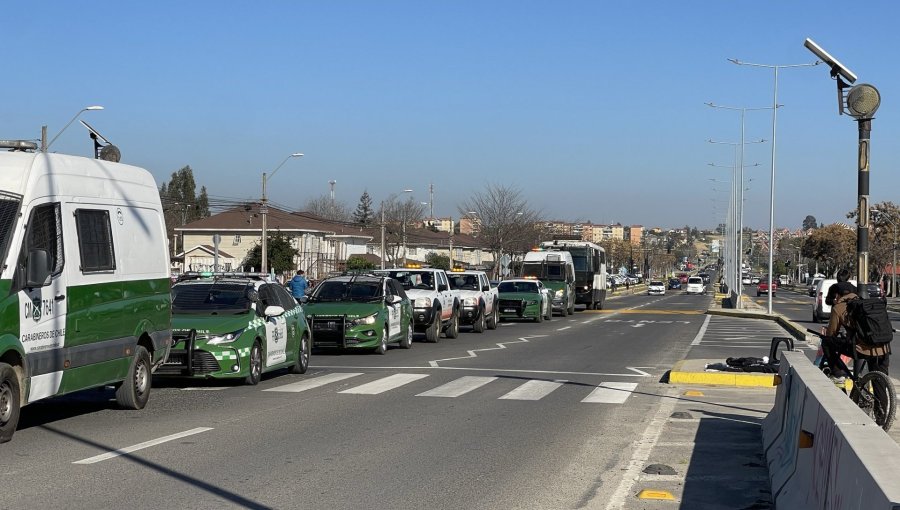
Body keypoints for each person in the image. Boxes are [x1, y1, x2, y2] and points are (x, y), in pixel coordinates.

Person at [821, 279, 891, 384]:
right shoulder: (866, 303)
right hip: (883, 348)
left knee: (827, 342)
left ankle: (838, 374)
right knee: (880, 385)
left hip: (861, 349)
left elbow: (831, 333)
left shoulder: (838, 307)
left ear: (838, 295)